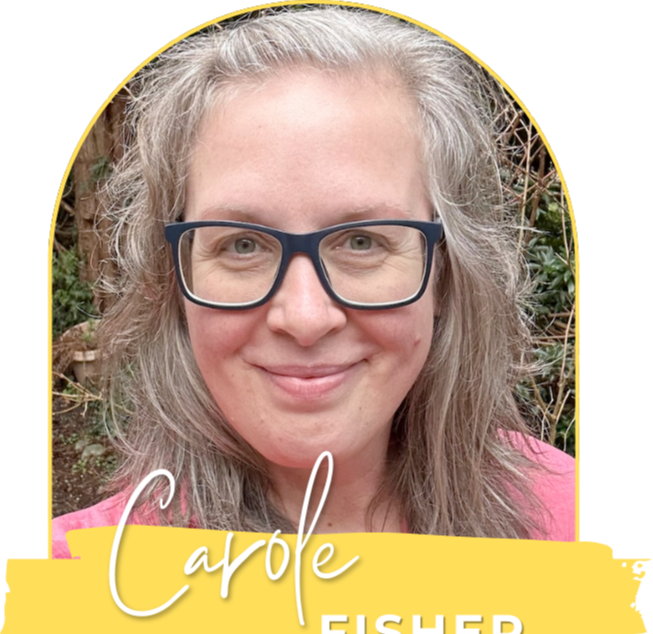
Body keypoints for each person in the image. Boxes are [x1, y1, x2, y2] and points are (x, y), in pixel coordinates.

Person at [52, 4, 574, 558]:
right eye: (242, 244)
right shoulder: (78, 583)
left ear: (444, 273)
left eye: (362, 242)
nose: (304, 318)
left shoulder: (584, 526)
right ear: (173, 281)